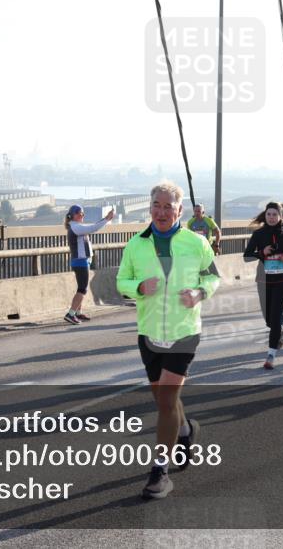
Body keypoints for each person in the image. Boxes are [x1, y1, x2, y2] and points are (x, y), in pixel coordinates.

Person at [116, 182, 220, 500]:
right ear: (150, 208)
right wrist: (137, 288)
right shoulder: (135, 244)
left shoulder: (196, 242)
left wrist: (199, 293)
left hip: (185, 331)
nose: (161, 212)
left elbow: (212, 276)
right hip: (149, 333)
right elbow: (122, 281)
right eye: (156, 206)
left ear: (180, 211)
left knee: (164, 400)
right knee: (165, 400)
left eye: (168, 207)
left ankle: (159, 471)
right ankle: (186, 430)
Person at [244, 202, 283, 370]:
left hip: (282, 280)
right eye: (269, 214)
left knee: (276, 316)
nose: (271, 217)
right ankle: (281, 328)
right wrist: (261, 253)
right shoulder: (259, 234)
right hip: (263, 281)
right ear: (265, 215)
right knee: (270, 320)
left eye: (274, 215)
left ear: (281, 216)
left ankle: (271, 355)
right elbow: (247, 256)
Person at [63, 204, 115, 324]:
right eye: (79, 213)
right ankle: (71, 314)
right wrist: (107, 219)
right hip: (80, 262)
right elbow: (93, 228)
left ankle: (77, 313)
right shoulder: (75, 227)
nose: (82, 215)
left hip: (82, 261)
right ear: (72, 215)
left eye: (82, 213)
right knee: (82, 289)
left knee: (81, 287)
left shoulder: (77, 226)